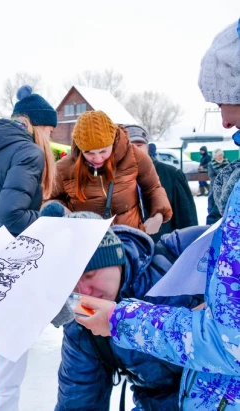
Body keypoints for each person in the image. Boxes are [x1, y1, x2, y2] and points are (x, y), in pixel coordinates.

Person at [76, 19, 240, 409]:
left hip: (137, 261)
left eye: (223, 103)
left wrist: (159, 228)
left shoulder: (152, 169)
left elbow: (228, 340)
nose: (224, 120)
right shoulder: (74, 174)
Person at [55, 212, 204, 410]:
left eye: (90, 275)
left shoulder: (180, 253)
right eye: (72, 285)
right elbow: (79, 400)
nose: (84, 293)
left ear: (114, 258)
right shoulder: (83, 325)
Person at [46, 110, 172, 234]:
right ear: (79, 148)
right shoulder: (64, 168)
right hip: (87, 241)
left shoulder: (134, 156)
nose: (97, 158)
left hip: (129, 238)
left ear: (113, 142)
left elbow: (153, 187)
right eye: (89, 153)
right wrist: (64, 213)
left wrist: (158, 216)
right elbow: (48, 199)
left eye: (103, 151)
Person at [0, 85, 56, 236]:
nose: (50, 138)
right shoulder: (29, 152)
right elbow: (10, 215)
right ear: (40, 126)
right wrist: (48, 221)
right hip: (9, 248)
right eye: (50, 132)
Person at [127, 126, 198, 242]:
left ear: (147, 147)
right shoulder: (114, 179)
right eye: (129, 146)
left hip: (165, 251)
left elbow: (188, 220)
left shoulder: (171, 175)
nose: (135, 150)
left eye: (139, 145)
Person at [207, 148, 231, 223]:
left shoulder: (228, 162)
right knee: (213, 201)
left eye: (221, 155)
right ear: (215, 156)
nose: (220, 157)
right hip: (215, 186)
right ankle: (213, 218)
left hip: (227, 186)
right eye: (218, 155)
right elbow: (211, 176)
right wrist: (220, 181)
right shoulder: (211, 164)